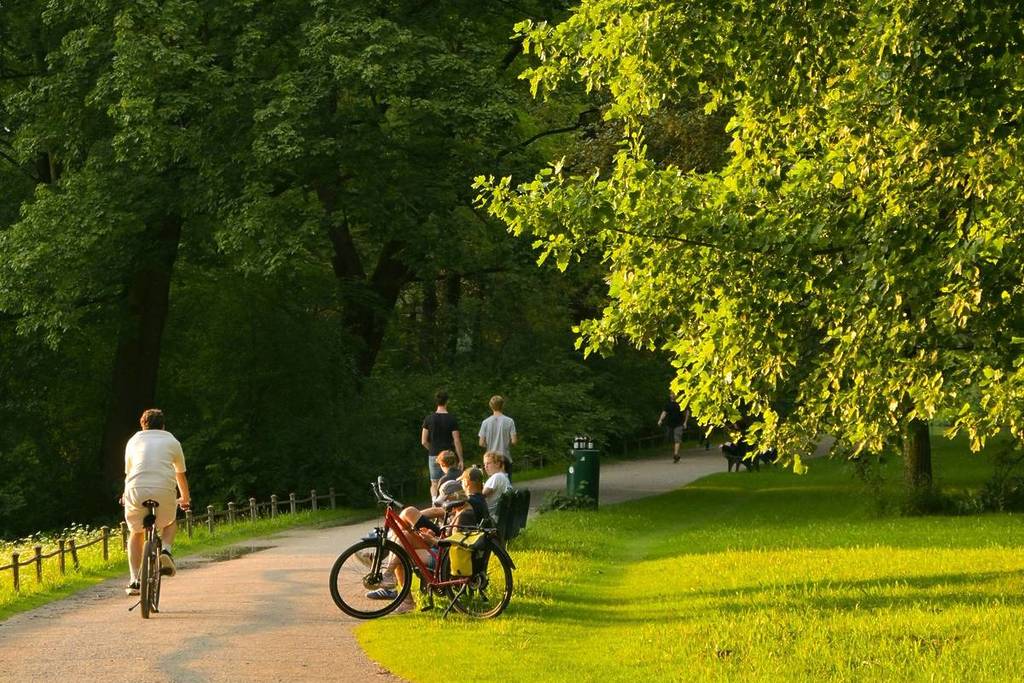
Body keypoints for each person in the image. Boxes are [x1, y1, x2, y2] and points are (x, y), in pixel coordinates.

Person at [121, 408, 191, 596]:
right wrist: (185, 498)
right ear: (163, 426)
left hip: (135, 489)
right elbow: (180, 474)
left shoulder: (133, 441)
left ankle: (134, 580)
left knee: (135, 532)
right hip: (163, 490)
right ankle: (166, 551)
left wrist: (125, 495)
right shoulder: (172, 441)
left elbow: (130, 473)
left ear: (142, 425)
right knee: (170, 521)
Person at [421, 390, 464, 499]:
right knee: (451, 481)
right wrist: (461, 459)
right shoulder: (452, 419)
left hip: (434, 455)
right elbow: (456, 440)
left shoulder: (428, 419)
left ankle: (434, 502)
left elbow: (424, 441)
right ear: (447, 402)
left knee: (434, 483)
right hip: (449, 455)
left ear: (436, 402)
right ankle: (449, 502)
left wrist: (432, 449)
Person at [478, 395, 518, 468]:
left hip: (491, 459)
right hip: (505, 458)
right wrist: (505, 443)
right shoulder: (510, 421)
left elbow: (481, 443)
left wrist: (490, 445)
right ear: (502, 405)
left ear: (491, 406)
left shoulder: (485, 422)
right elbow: (514, 441)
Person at [481, 452, 512, 521]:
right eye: (484, 464)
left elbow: (481, 495)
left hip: (490, 517)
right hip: (499, 516)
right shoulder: (504, 478)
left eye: (488, 463)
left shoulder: (497, 477)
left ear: (497, 464)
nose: (485, 467)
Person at [657, 391, 685, 463]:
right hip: (669, 424)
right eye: (672, 394)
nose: (673, 395)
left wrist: (685, 422)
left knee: (677, 439)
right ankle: (676, 453)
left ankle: (676, 454)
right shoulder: (667, 405)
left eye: (674, 394)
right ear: (670, 395)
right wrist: (660, 420)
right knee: (670, 438)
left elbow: (686, 412)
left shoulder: (680, 403)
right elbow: (664, 413)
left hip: (679, 424)